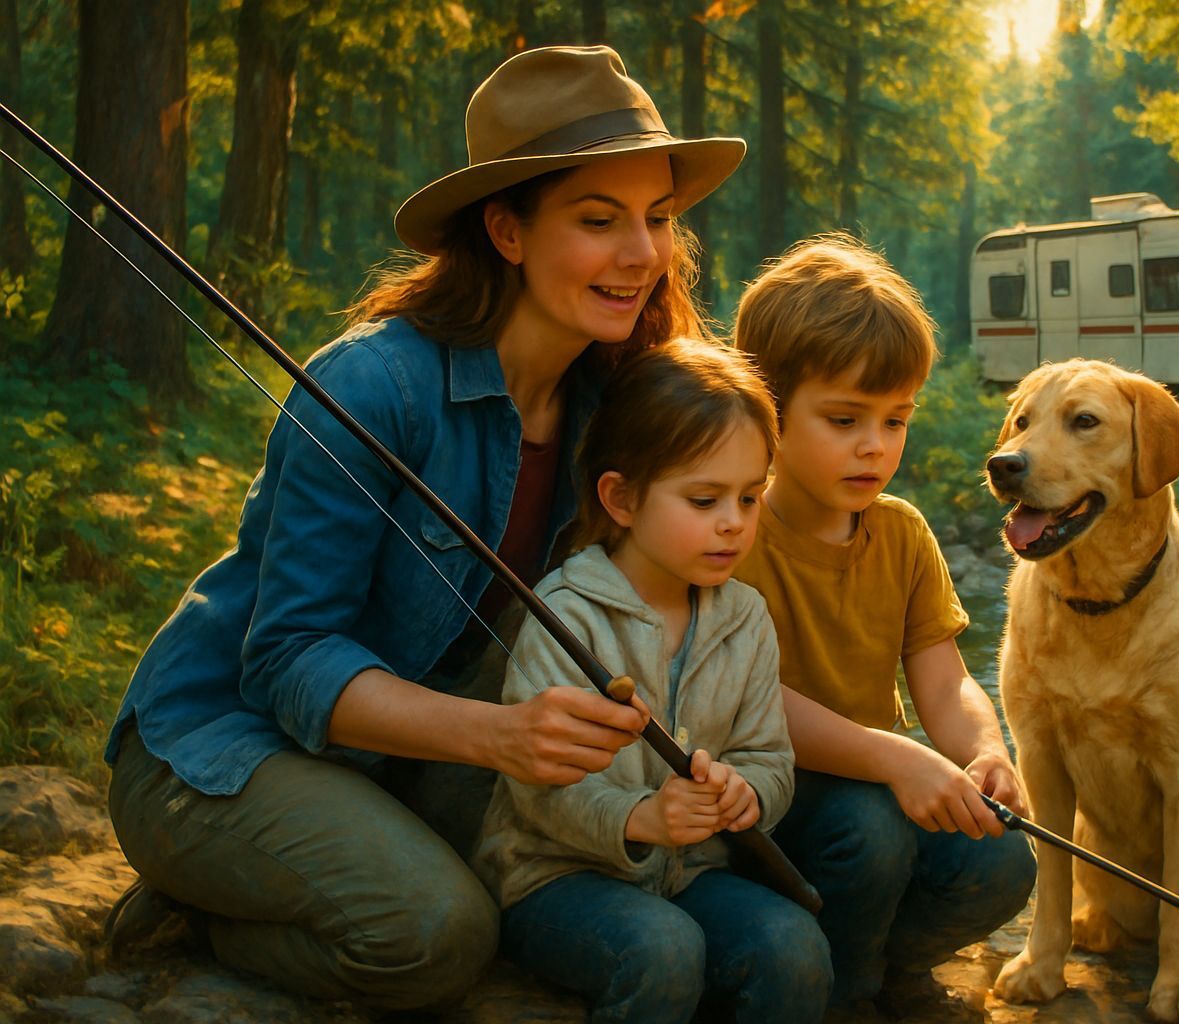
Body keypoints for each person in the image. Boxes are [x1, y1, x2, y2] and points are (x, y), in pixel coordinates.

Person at [101, 45, 745, 1010]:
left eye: (657, 220)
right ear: (507, 230)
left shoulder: (612, 402)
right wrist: (500, 738)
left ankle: (310, 870)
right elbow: (286, 658)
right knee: (441, 934)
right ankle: (203, 909)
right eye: (598, 220)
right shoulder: (372, 385)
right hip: (218, 751)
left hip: (402, 758)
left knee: (564, 865)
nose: (642, 255)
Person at [473, 339, 832, 1023]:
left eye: (751, 497)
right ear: (622, 499)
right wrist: (641, 818)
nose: (733, 521)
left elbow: (770, 758)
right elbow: (539, 788)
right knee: (661, 950)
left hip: (695, 874)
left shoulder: (745, 618)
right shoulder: (566, 612)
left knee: (794, 947)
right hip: (556, 878)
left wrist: (744, 794)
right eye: (704, 499)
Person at [731, 235, 1039, 1014]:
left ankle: (888, 967)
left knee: (1006, 860)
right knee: (870, 830)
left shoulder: (900, 533)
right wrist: (895, 760)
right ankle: (848, 997)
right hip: (766, 798)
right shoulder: (730, 534)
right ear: (766, 409)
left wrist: (985, 751)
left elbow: (943, 678)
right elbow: (751, 700)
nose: (875, 446)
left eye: (895, 420)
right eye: (844, 419)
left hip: (879, 785)